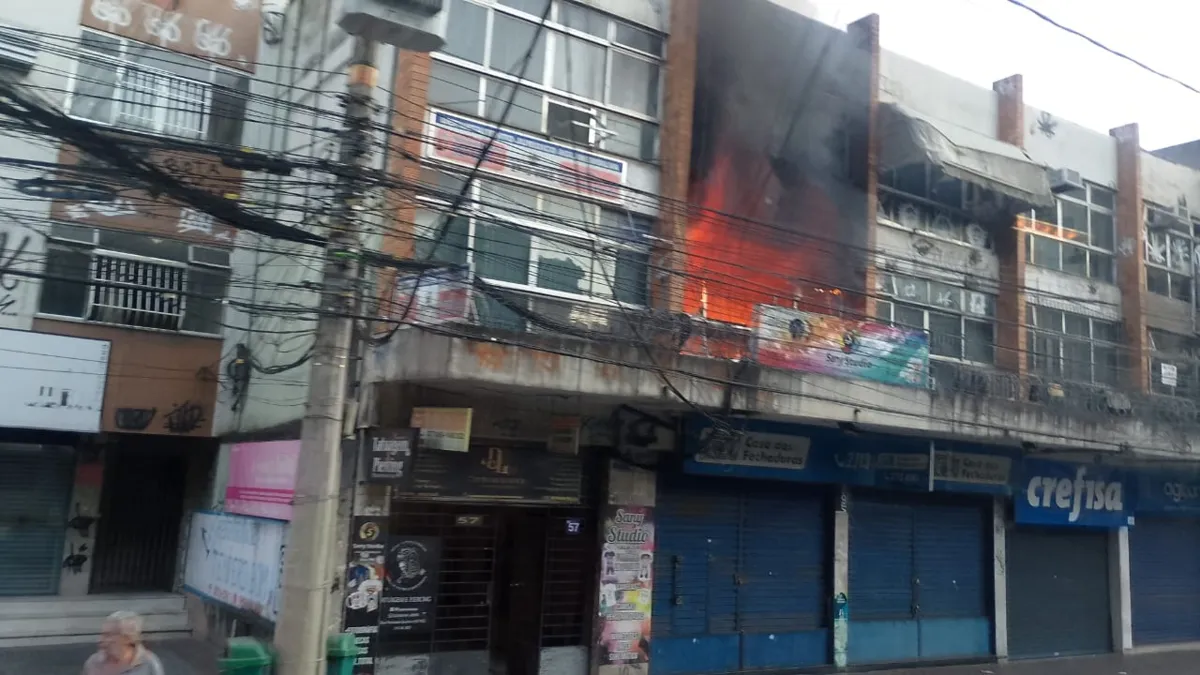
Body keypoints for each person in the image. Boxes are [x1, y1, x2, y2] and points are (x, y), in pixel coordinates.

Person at [83, 611, 166, 675]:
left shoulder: (148, 663)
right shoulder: (93, 662)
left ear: (127, 638)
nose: (100, 640)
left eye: (108, 635)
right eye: (103, 634)